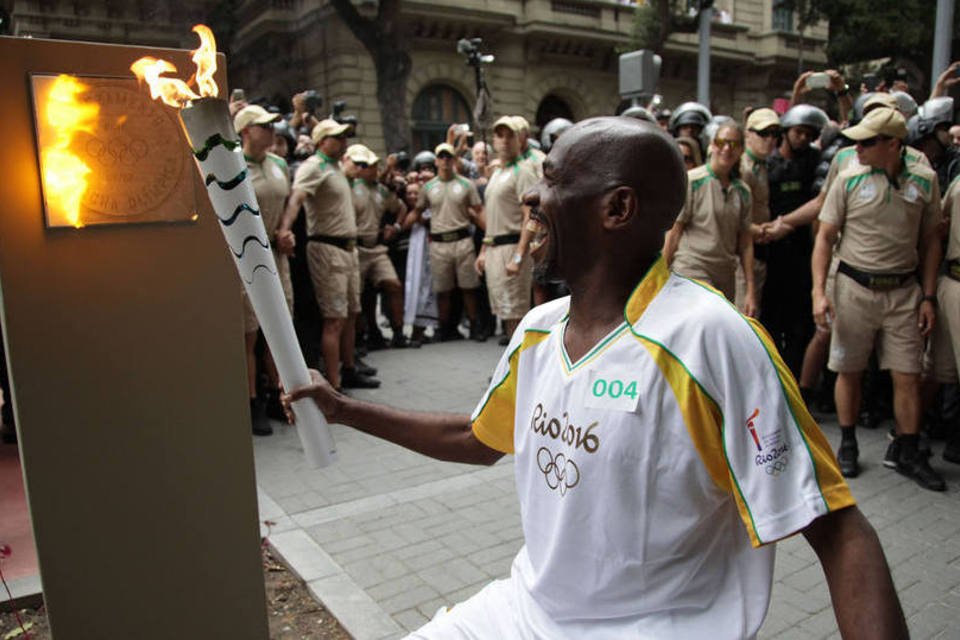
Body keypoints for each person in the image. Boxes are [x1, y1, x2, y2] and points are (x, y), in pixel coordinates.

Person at [283, 117, 907, 640]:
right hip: (527, 613)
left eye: (552, 181)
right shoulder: (538, 329)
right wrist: (343, 410)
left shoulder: (710, 341)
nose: (531, 198)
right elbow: (477, 439)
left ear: (617, 207)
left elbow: (838, 527)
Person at [813, 107, 945, 490]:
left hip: (904, 291)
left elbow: (931, 240)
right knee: (848, 369)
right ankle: (848, 443)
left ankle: (907, 451)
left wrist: (929, 296)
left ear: (893, 144)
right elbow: (824, 237)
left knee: (908, 373)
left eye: (867, 141)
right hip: (854, 287)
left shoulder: (924, 181)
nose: (858, 147)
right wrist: (819, 292)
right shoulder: (849, 179)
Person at [278, 119, 380, 392]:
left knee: (350, 314)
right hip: (327, 248)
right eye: (338, 137)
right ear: (322, 141)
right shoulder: (314, 167)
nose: (345, 141)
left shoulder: (337, 167)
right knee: (334, 319)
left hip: (348, 249)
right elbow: (297, 198)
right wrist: (285, 230)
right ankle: (333, 387)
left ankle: (349, 370)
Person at [234, 105, 293, 435]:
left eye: (273, 125)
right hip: (245, 257)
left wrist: (285, 229)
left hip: (276, 256)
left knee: (280, 330)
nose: (271, 131)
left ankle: (280, 395)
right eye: (263, 126)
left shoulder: (280, 164)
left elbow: (286, 206)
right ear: (245, 132)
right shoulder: (233, 165)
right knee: (250, 334)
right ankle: (253, 402)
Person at [664, 121, 756, 315]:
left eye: (733, 144)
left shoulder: (743, 191)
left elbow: (746, 242)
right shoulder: (692, 181)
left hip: (725, 272)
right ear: (712, 145)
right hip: (692, 266)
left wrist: (750, 290)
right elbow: (674, 231)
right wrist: (660, 274)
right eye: (721, 142)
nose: (726, 149)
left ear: (741, 150)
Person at [476, 116, 539, 346]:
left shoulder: (523, 171)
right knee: (505, 311)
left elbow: (530, 216)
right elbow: (492, 217)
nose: (504, 140)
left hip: (512, 247)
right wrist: (484, 250)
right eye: (499, 135)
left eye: (510, 135)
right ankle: (512, 369)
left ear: (519, 139)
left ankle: (519, 372)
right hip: (495, 248)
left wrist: (520, 256)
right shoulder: (497, 173)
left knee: (516, 313)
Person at [414, 143, 486, 341]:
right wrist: (403, 226)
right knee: (442, 290)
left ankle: (474, 326)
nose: (445, 161)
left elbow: (479, 211)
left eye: (449, 157)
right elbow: (418, 211)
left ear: (454, 160)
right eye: (442, 157)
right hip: (439, 243)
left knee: (469, 287)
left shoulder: (466, 184)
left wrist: (489, 234)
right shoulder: (428, 187)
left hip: (462, 240)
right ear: (436, 160)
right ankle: (444, 328)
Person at [344, 143, 409, 349]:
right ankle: (362, 336)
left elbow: (402, 208)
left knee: (393, 285)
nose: (373, 169)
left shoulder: (381, 190)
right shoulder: (350, 187)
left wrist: (396, 226)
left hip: (377, 248)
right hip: (357, 247)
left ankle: (399, 332)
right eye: (368, 166)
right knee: (359, 296)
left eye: (375, 165)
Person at [736, 108, 779, 315]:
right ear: (748, 134)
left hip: (759, 253)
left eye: (774, 134)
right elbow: (734, 219)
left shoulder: (762, 165)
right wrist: (760, 230)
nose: (770, 139)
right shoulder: (743, 168)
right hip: (743, 255)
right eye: (763, 133)